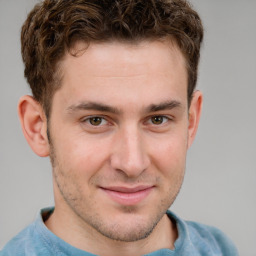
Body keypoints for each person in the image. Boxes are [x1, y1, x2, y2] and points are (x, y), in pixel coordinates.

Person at [0, 0, 239, 255]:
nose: (132, 163)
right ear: (37, 127)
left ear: (190, 122)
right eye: (96, 120)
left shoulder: (220, 249)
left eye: (158, 119)